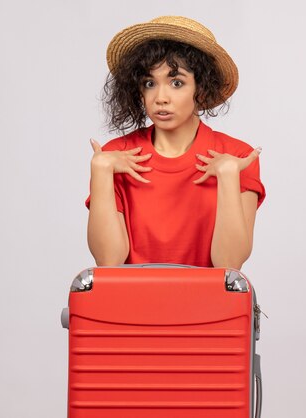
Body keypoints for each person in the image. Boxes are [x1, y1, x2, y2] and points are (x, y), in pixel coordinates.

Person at [86, 16, 266, 270]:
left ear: (201, 89)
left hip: (209, 308)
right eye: (150, 83)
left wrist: (227, 176)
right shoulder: (116, 155)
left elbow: (228, 265)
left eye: (177, 83)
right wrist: (102, 171)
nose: (161, 98)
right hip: (130, 306)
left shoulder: (237, 156)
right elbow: (108, 261)